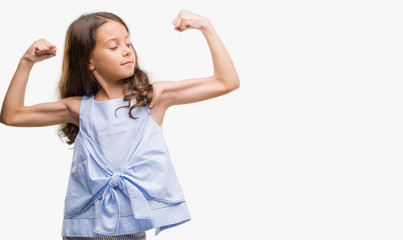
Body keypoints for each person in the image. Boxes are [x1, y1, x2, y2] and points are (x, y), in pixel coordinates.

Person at [0, 9, 240, 240]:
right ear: (89, 62)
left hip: (130, 226)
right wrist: (26, 62)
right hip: (83, 229)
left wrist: (205, 26)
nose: (127, 51)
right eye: (114, 46)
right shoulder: (79, 108)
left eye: (128, 43)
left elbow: (226, 81)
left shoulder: (151, 98)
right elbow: (12, 115)